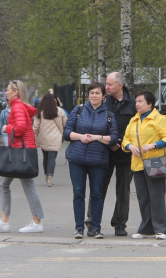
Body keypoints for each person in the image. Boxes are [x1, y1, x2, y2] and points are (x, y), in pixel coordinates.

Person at [0, 80, 45, 234]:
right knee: (4, 184)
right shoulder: (20, 107)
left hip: (20, 153)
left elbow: (19, 129)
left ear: (15, 92)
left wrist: (7, 127)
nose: (5, 92)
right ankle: (5, 220)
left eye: (7, 90)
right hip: (22, 152)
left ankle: (36, 222)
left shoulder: (18, 107)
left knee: (24, 186)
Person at [63, 82, 118, 239]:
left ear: (103, 96)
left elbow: (113, 138)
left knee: (97, 194)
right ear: (88, 95)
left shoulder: (108, 114)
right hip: (77, 158)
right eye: (92, 93)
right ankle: (79, 228)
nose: (94, 96)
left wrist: (97, 137)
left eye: (97, 93)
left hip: (98, 159)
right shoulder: (78, 110)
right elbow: (67, 133)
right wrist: (81, 137)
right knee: (79, 193)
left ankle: (96, 228)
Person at [86, 72, 136, 236]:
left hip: (126, 153)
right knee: (98, 187)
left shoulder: (133, 103)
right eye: (106, 84)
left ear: (120, 86)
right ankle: (92, 222)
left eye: (110, 84)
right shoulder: (103, 102)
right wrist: (110, 142)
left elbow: (137, 128)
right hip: (104, 151)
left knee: (123, 190)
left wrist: (123, 142)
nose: (106, 87)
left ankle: (120, 223)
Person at [122, 90, 166, 240]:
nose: (137, 104)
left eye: (140, 101)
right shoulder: (134, 120)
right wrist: (130, 146)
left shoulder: (158, 119)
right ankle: (146, 228)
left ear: (149, 104)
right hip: (138, 163)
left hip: (154, 162)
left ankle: (161, 229)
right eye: (136, 101)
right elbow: (125, 139)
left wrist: (153, 145)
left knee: (156, 196)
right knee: (143, 198)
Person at [33, 93, 67, 187]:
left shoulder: (40, 112)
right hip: (56, 138)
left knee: (45, 157)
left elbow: (35, 126)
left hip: (43, 137)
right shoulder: (60, 111)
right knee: (52, 158)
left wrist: (32, 137)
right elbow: (66, 123)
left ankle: (46, 175)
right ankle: (50, 176)